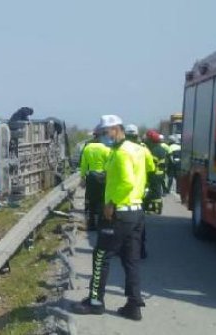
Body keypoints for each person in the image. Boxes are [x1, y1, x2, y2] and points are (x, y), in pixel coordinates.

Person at [72, 115, 147, 321]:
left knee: (101, 256)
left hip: (118, 212)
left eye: (105, 133)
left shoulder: (121, 153)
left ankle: (95, 302)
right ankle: (133, 305)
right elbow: (146, 170)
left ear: (115, 129)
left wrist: (110, 203)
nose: (103, 137)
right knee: (131, 259)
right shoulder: (139, 150)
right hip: (136, 211)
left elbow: (127, 182)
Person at [126, 124, 155, 259]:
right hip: (138, 194)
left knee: (120, 223)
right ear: (136, 136)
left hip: (122, 194)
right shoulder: (143, 150)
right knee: (139, 225)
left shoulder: (118, 149)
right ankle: (141, 250)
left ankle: (123, 250)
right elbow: (151, 167)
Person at [79, 126, 111, 230]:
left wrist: (82, 177)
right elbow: (110, 165)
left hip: (91, 176)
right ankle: (102, 223)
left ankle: (91, 223)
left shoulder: (87, 148)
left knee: (90, 200)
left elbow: (83, 165)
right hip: (103, 176)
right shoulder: (106, 149)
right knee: (102, 199)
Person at [143, 130, 167, 214]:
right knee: (156, 191)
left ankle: (156, 210)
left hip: (155, 174)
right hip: (160, 174)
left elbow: (151, 163)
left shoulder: (155, 150)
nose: (146, 141)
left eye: (147, 139)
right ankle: (154, 208)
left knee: (155, 193)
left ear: (151, 140)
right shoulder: (160, 148)